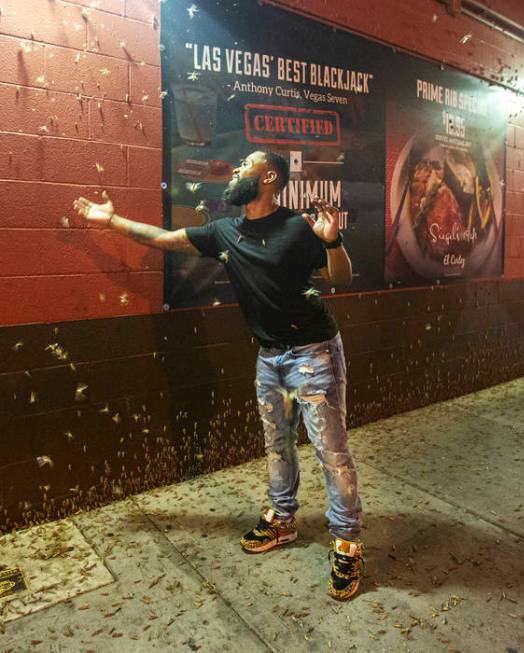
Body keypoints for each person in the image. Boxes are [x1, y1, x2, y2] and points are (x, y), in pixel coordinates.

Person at [73, 150, 366, 601]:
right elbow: (164, 238)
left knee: (331, 451)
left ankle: (346, 542)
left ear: (268, 177)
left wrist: (333, 242)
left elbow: (340, 279)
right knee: (277, 446)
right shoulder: (224, 232)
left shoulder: (295, 228)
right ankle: (282, 519)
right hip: (270, 358)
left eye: (245, 164)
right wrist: (111, 223)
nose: (235, 169)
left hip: (314, 353)